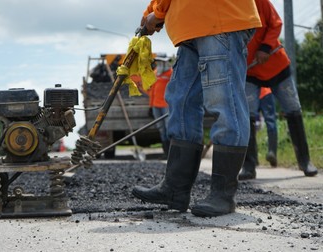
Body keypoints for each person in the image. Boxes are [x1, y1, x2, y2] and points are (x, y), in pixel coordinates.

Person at [131, 0, 261, 217]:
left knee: (224, 101)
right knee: (181, 101)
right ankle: (175, 189)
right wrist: (152, 13)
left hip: (218, 19)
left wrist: (158, 13)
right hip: (191, 27)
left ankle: (223, 195)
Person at [239, 0, 318, 180]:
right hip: (248, 70)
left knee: (293, 109)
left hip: (276, 65)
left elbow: (275, 23)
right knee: (247, 115)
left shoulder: (259, 2)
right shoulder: (227, 7)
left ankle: (305, 161)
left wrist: (265, 47)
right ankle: (249, 166)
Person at [148, 55, 172, 157]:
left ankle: (172, 153)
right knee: (161, 128)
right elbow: (152, 91)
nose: (159, 64)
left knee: (168, 128)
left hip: (166, 105)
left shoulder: (171, 73)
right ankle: (166, 152)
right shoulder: (156, 73)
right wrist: (150, 106)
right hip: (156, 106)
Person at [258, 87, 278, 167]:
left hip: (264, 92)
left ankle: (272, 153)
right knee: (270, 121)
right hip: (259, 92)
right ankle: (272, 152)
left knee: (270, 122)